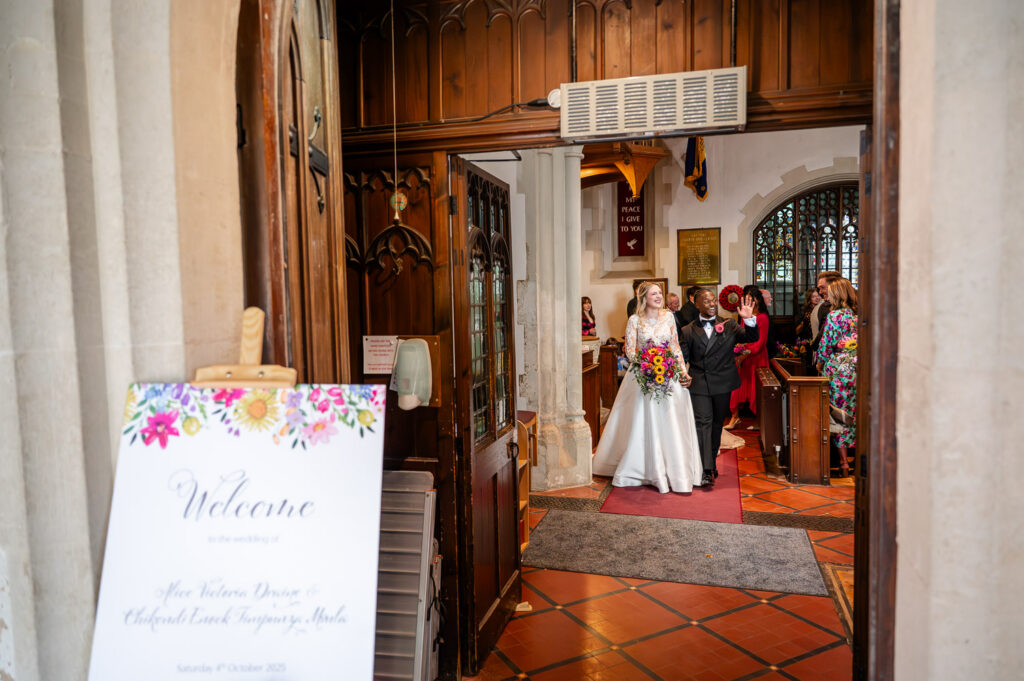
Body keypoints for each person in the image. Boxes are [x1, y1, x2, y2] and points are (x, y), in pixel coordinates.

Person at [592, 281, 704, 493]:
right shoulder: (635, 320)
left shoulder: (669, 317)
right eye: (654, 294)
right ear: (643, 298)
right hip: (642, 375)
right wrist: (649, 361)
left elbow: (675, 347)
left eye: (660, 293)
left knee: (668, 420)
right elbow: (630, 351)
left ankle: (672, 466)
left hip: (667, 372)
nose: (659, 296)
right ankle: (641, 467)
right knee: (642, 421)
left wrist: (682, 371)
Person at [679, 289, 759, 486]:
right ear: (696, 304)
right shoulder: (687, 330)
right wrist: (682, 373)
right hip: (700, 383)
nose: (712, 303)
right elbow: (683, 357)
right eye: (706, 301)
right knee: (703, 423)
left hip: (723, 382)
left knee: (716, 425)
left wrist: (749, 320)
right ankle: (706, 470)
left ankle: (711, 462)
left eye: (713, 300)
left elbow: (751, 337)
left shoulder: (729, 325)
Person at [815, 278, 858, 477]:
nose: (828, 296)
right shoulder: (859, 315)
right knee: (857, 413)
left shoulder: (835, 316)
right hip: (859, 369)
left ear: (838, 294)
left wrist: (819, 364)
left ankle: (843, 464)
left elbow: (825, 346)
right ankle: (858, 459)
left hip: (839, 371)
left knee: (839, 415)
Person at [725, 286, 771, 430]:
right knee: (736, 389)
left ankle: (760, 421)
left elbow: (759, 344)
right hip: (744, 357)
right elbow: (742, 336)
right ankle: (734, 418)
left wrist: (744, 354)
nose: (748, 301)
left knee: (755, 391)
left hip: (756, 358)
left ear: (757, 300)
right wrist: (737, 350)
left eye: (751, 298)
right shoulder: (745, 315)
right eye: (746, 299)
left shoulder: (762, 317)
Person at [810, 270, 841, 355]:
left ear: (834, 286)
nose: (820, 292)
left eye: (822, 288)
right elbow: (823, 337)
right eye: (819, 288)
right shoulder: (826, 307)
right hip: (826, 357)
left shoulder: (834, 307)